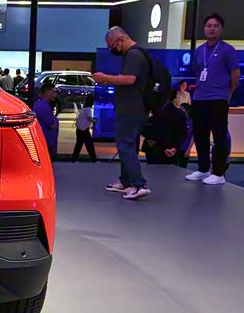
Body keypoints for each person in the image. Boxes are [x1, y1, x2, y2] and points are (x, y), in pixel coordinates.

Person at [93, 26, 151, 200]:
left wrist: (105, 77)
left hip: (131, 108)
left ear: (122, 39)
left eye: (112, 46)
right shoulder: (137, 54)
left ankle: (139, 184)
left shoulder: (133, 55)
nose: (112, 50)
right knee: (126, 145)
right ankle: (126, 181)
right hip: (134, 108)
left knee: (125, 146)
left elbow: (129, 79)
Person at [185, 13, 240, 186]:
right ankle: (203, 169)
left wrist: (227, 93)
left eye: (215, 26)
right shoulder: (199, 50)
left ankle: (218, 173)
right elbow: (197, 72)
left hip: (218, 99)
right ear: (204, 29)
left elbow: (235, 74)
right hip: (199, 98)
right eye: (208, 26)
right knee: (200, 134)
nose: (211, 29)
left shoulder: (227, 50)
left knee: (219, 136)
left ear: (221, 29)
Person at [142, 90, 187, 165]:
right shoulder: (180, 114)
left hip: (155, 148)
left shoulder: (155, 112)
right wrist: (175, 148)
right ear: (175, 97)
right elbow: (183, 133)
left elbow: (146, 129)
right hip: (172, 150)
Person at [33, 82, 59, 159]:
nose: (55, 95)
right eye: (53, 92)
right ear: (47, 92)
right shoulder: (44, 106)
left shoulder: (38, 103)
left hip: (42, 140)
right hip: (46, 141)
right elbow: (52, 125)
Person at [72, 94, 97, 162]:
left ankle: (74, 159)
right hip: (84, 130)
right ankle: (94, 159)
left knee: (79, 145)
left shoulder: (83, 109)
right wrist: (95, 121)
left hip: (79, 129)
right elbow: (89, 118)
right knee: (89, 145)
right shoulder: (88, 109)